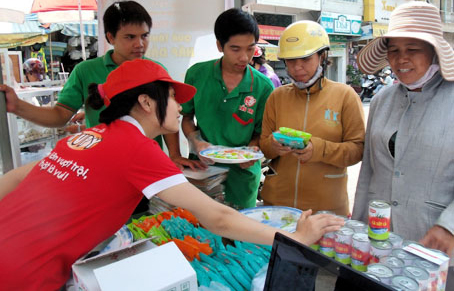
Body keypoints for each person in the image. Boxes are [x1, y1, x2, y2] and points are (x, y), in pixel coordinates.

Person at [0, 59, 344, 291]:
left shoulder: (87, 136)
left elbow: (15, 178)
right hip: (25, 274)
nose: (180, 107)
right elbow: (218, 218)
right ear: (148, 103)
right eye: (172, 97)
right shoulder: (136, 147)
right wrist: (295, 239)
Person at [0, 0, 199, 170]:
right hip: (102, 165)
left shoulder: (156, 69)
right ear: (110, 37)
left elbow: (167, 116)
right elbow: (60, 115)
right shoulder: (85, 71)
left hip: (148, 164)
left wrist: (174, 154)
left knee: (150, 216)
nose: (139, 44)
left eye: (144, 36)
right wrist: (18, 106)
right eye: (130, 37)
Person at [351, 1, 454, 285]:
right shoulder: (383, 99)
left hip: (436, 242)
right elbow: (369, 172)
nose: (400, 59)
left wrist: (450, 226)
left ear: (434, 51)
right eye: (394, 50)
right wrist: (359, 225)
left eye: (412, 49)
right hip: (381, 238)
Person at [259, 21, 365, 216]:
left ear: (322, 56)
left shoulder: (345, 95)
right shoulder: (277, 96)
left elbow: (357, 150)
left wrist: (319, 150)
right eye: (291, 60)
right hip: (277, 206)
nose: (297, 67)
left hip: (326, 209)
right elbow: (264, 146)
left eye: (306, 59)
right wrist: (273, 146)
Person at [175, 8, 275, 209]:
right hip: (202, 169)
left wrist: (252, 150)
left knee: (238, 232)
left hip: (242, 176)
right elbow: (186, 117)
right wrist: (197, 142)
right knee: (200, 228)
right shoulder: (197, 74)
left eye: (250, 49)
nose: (245, 57)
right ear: (220, 45)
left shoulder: (263, 87)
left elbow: (260, 133)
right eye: (235, 49)